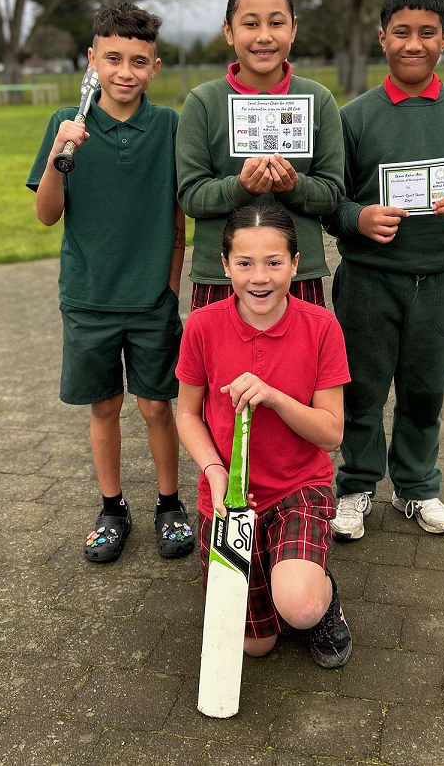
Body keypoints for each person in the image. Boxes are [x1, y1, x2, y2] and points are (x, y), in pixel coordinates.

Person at [325, 0, 444, 540]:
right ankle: (357, 485)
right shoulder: (354, 117)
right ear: (382, 38)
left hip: (438, 280)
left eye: (426, 33)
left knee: (425, 389)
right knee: (360, 389)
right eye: (401, 32)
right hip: (367, 280)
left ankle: (416, 487)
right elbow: (329, 199)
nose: (414, 43)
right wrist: (358, 217)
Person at [26, 2, 191, 564]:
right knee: (104, 407)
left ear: (155, 66)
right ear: (92, 60)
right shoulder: (65, 127)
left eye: (138, 61)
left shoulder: (169, 125)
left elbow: (177, 218)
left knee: (156, 407)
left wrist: (169, 288)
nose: (125, 71)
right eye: (113, 59)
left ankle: (170, 505)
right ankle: (112, 507)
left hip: (150, 301)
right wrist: (58, 154)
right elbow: (47, 214)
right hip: (88, 299)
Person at [176, 205, 353, 667]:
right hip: (228, 498)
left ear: (296, 264)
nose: (260, 277)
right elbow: (187, 414)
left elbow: (331, 433)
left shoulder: (321, 326)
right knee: (257, 645)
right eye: (245, 263)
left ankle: (321, 596)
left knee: (299, 607)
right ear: (224, 264)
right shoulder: (202, 325)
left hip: (297, 488)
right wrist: (215, 473)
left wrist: (275, 398)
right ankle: (284, 571)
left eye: (274, 262)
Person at [177, 0, 344, 311]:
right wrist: (239, 187)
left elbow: (332, 193)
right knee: (220, 365)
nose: (264, 36)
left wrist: (294, 187)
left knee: (298, 364)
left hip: (297, 275)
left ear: (293, 29)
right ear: (229, 31)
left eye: (277, 23)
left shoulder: (318, 99)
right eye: (250, 24)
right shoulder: (204, 102)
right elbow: (190, 195)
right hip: (221, 277)